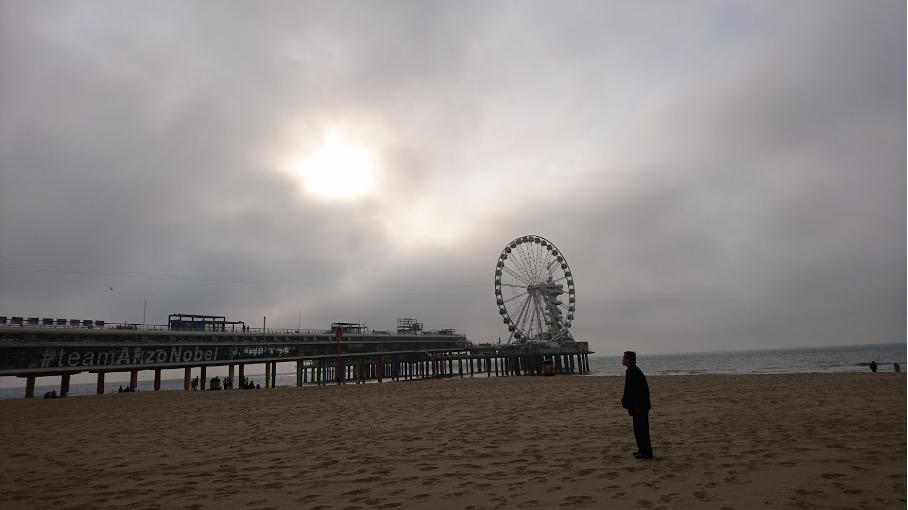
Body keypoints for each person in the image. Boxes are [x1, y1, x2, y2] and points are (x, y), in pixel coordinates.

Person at [621, 351, 653, 459]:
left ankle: (646, 452)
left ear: (628, 359)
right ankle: (642, 450)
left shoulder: (633, 371)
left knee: (641, 429)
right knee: (638, 429)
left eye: (624, 358)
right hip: (639, 405)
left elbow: (637, 390)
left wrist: (637, 405)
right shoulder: (632, 370)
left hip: (640, 406)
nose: (622, 359)